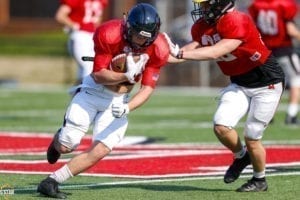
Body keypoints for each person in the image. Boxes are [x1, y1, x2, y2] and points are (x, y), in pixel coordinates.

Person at [37, 3, 169, 198]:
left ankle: (52, 181)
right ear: (128, 26)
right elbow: (99, 75)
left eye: (145, 37)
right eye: (137, 35)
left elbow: (148, 87)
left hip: (119, 100)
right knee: (67, 145)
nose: (140, 42)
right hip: (93, 92)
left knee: (101, 149)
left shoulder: (158, 48)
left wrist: (127, 108)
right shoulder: (109, 33)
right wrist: (126, 75)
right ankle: (57, 141)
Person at [164, 0, 285, 192]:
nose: (201, 9)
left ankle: (259, 179)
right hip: (239, 82)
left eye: (205, 5)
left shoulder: (237, 20)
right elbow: (188, 49)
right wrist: (155, 57)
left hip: (266, 82)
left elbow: (215, 52)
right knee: (221, 126)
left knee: (252, 136)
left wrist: (179, 54)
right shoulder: (201, 27)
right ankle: (241, 156)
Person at [248, 0, 300, 125]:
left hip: (266, 51)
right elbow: (290, 30)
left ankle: (266, 115)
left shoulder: (256, 5)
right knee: (296, 80)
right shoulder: (284, 4)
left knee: (272, 84)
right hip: (284, 49)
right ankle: (291, 115)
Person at [55, 0, 108, 85]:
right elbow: (60, 16)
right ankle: (85, 93)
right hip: (80, 36)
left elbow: (97, 19)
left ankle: (77, 94)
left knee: (88, 67)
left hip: (93, 36)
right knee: (88, 65)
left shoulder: (101, 1)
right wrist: (73, 25)